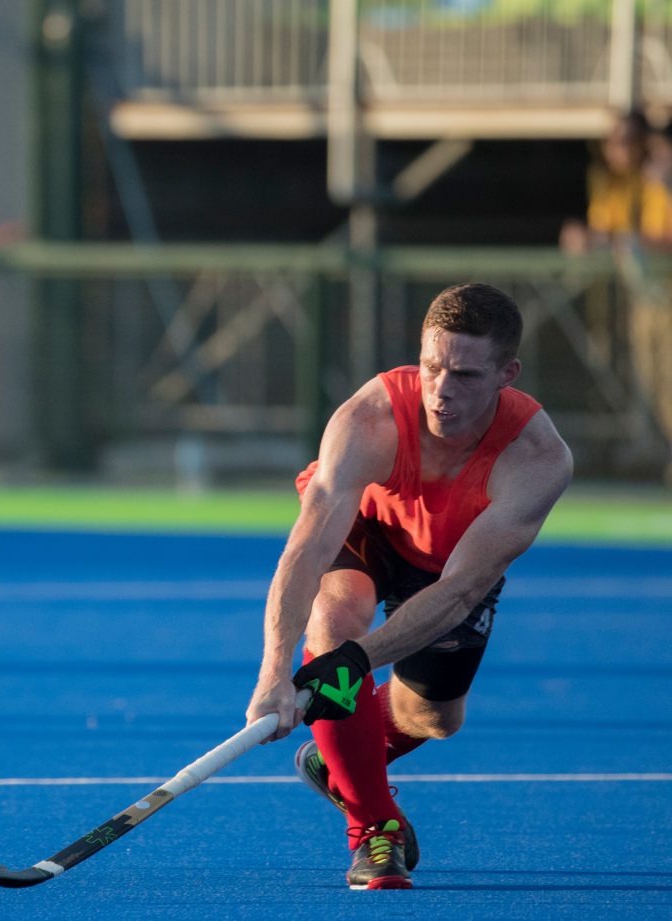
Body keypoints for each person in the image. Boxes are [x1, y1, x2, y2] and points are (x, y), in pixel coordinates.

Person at [244, 283, 572, 889]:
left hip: (449, 566)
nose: (442, 391)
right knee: (336, 623)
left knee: (435, 718)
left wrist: (352, 664)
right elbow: (310, 546)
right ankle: (374, 830)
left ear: (508, 373)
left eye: (467, 376)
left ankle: (339, 756)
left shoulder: (537, 458)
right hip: (366, 526)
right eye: (432, 367)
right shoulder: (368, 419)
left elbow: (458, 593)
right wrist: (274, 670)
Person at [560, 110, 672, 484]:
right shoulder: (610, 180)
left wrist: (608, 240)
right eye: (612, 142)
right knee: (648, 376)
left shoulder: (660, 176)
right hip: (642, 294)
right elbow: (602, 232)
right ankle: (653, 450)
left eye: (625, 142)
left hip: (665, 290)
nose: (616, 150)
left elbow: (661, 241)